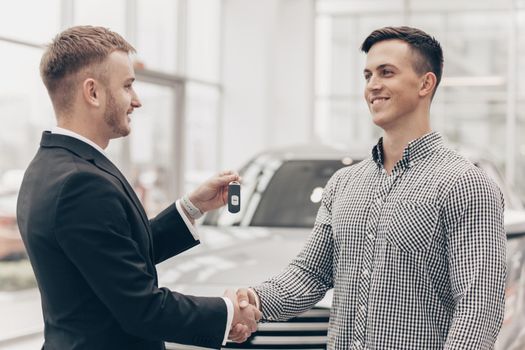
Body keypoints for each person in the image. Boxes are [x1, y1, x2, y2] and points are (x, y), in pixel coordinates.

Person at [234, 26, 506, 349]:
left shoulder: (465, 185)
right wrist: (253, 300)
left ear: (425, 83)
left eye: (386, 72)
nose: (373, 86)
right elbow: (309, 275)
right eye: (367, 75)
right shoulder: (343, 184)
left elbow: (479, 306)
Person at [16, 25, 260, 350]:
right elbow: (140, 308)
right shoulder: (81, 183)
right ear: (93, 92)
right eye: (128, 86)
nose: (137, 101)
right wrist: (227, 312)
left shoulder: (49, 165)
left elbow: (115, 257)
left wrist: (191, 207)